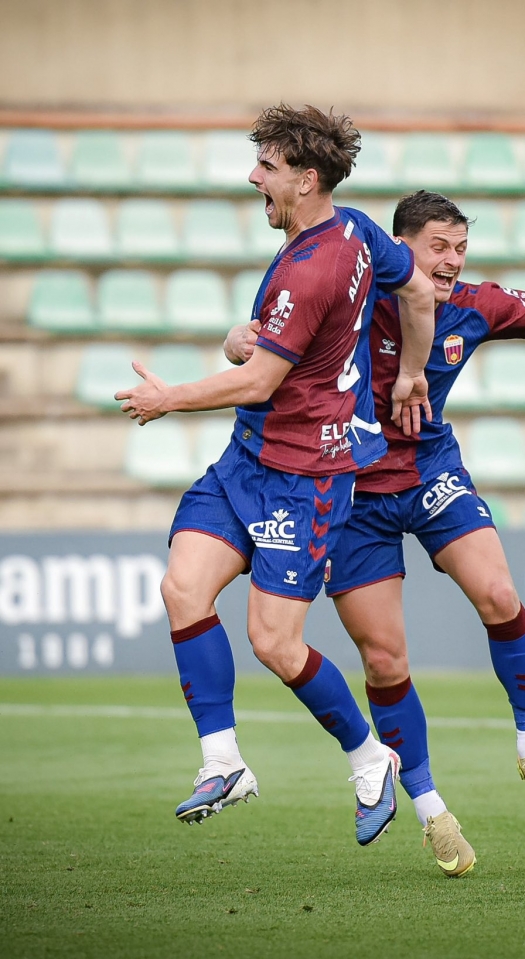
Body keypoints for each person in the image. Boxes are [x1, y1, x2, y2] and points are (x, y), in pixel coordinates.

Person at [224, 189, 525, 876]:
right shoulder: (350, 298)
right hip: (348, 489)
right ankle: (431, 810)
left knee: (499, 594)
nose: (451, 262)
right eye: (438, 248)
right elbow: (258, 338)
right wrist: (239, 339)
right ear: (401, 249)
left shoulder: (475, 305)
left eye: (460, 249)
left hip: (429, 472)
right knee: (385, 661)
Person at [116, 105, 437, 847]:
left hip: (306, 476)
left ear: (306, 177)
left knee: (275, 643)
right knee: (182, 588)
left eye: (266, 166)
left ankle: (369, 758)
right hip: (248, 460)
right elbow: (417, 289)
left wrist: (170, 395)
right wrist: (408, 372)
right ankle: (223, 761)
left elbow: (260, 379)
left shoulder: (315, 261)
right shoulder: (352, 229)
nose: (254, 176)